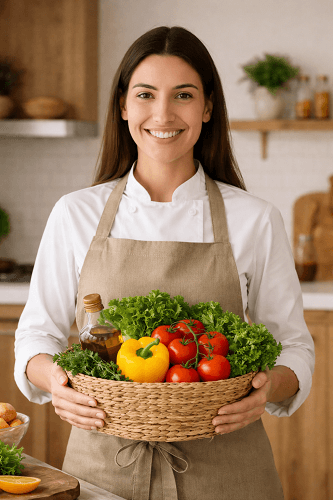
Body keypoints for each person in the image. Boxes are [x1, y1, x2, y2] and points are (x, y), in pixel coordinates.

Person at [15, 26, 314, 500]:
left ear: (208, 108)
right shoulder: (76, 213)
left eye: (183, 95)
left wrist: (265, 389)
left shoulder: (255, 218)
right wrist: (56, 379)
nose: (163, 113)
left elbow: (294, 346)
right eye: (146, 95)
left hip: (229, 469)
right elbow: (36, 334)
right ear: (123, 107)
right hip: (103, 468)